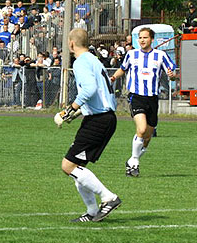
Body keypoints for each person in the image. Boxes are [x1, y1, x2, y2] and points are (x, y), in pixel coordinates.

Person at [59, 28, 121, 223]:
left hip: (99, 119)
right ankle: (92, 211)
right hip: (103, 117)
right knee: (78, 167)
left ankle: (108, 197)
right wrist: (79, 112)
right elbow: (99, 93)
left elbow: (89, 88)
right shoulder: (94, 60)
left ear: (71, 44)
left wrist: (70, 108)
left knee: (68, 166)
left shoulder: (81, 62)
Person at [109, 27, 176, 177]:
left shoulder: (160, 55)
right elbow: (122, 69)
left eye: (145, 37)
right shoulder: (131, 55)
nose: (142, 40)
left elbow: (172, 72)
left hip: (152, 98)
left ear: (151, 39)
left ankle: (132, 161)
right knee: (141, 129)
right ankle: (134, 162)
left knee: (147, 137)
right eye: (140, 38)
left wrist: (172, 75)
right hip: (136, 96)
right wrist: (113, 78)